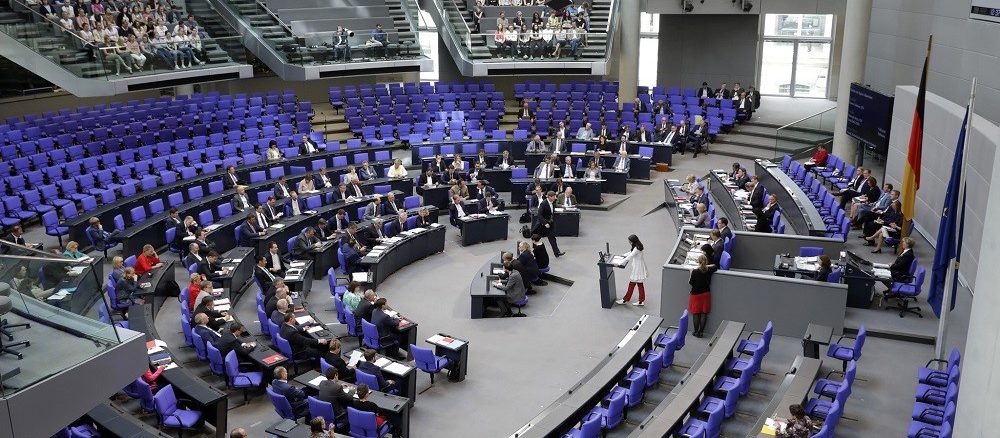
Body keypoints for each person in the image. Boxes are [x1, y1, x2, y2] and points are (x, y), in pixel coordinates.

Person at [689, 255, 718, 338]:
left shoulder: (695, 271)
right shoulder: (709, 270)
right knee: (703, 313)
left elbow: (691, 283)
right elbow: (715, 266)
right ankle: (701, 332)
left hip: (696, 295)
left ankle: (695, 331)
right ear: (706, 262)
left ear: (698, 262)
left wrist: (691, 272)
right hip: (706, 294)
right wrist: (706, 266)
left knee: (696, 313)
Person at [615, 235, 648, 306]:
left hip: (637, 268)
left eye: (629, 241)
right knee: (640, 284)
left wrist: (619, 263)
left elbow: (630, 256)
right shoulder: (638, 246)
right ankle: (641, 301)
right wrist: (622, 255)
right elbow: (631, 252)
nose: (629, 242)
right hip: (639, 266)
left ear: (633, 241)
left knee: (632, 284)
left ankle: (625, 300)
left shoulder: (636, 248)